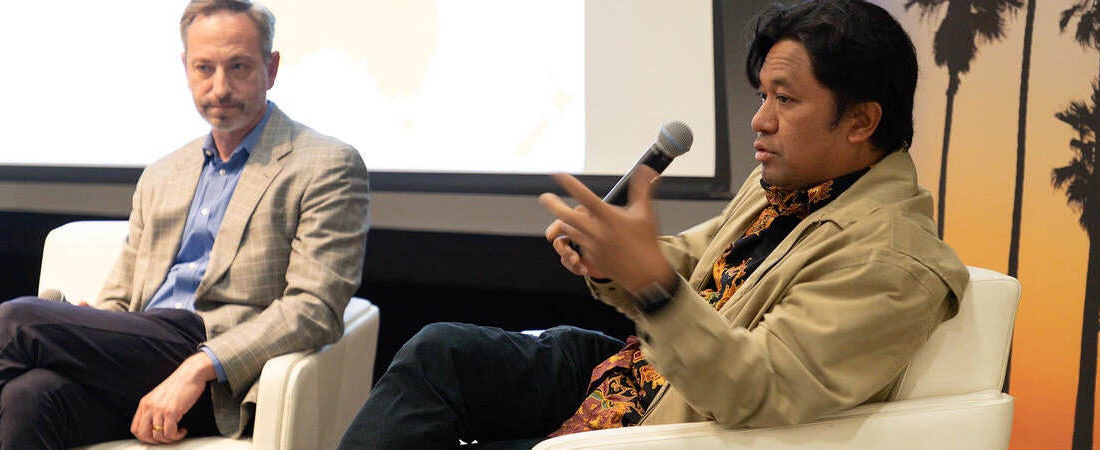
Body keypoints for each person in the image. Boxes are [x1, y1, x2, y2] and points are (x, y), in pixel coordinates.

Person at [337, 0, 967, 448]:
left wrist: (653, 284)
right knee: (440, 351)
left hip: (677, 421)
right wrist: (613, 255)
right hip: (640, 372)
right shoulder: (788, 185)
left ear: (861, 121)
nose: (760, 119)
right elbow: (696, 259)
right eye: (762, 96)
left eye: (786, 98)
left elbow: (759, 386)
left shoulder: (892, 261)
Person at [0, 0, 368, 448]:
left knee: (19, 321)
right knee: (28, 396)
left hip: (220, 365)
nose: (220, 87)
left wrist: (200, 365)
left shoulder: (326, 164)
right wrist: (91, 323)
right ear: (186, 69)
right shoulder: (164, 173)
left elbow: (314, 307)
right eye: (204, 68)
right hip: (144, 349)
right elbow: (121, 295)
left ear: (272, 67)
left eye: (239, 67)